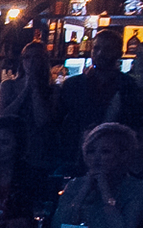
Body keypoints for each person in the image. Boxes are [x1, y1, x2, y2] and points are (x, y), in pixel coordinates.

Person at [57, 30, 143, 175]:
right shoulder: (73, 85)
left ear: (119, 53)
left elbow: (134, 124)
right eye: (96, 48)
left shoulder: (129, 86)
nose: (100, 53)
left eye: (107, 48)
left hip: (115, 161)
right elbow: (60, 122)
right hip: (76, 157)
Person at [55, 122, 143, 228]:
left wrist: (106, 194)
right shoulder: (74, 185)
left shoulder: (136, 189)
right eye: (91, 151)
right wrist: (82, 193)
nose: (96, 158)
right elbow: (57, 227)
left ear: (123, 155)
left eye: (105, 152)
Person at [0, 40, 59, 170]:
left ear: (43, 61)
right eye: (27, 57)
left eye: (36, 57)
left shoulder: (53, 89)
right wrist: (25, 91)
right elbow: (3, 116)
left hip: (39, 146)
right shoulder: (8, 85)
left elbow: (42, 120)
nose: (31, 62)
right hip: (12, 142)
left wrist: (35, 89)